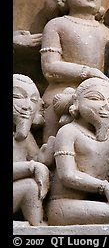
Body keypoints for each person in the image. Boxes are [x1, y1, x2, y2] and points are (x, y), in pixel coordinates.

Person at [39, 0, 109, 144]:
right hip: (62, 94)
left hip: (101, 99)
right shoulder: (57, 25)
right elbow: (50, 67)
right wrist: (89, 72)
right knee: (53, 146)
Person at [46, 77, 109, 225]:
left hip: (93, 198)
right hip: (64, 203)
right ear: (76, 102)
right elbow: (67, 175)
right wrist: (103, 187)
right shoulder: (68, 132)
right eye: (95, 98)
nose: (106, 106)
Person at [13, 74, 52, 226]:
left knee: (33, 186)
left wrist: (44, 157)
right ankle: (36, 228)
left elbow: (36, 159)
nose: (28, 105)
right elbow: (33, 166)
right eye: (18, 96)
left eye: (34, 100)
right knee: (30, 187)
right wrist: (32, 167)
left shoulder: (25, 136)